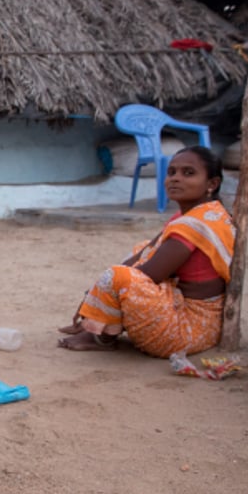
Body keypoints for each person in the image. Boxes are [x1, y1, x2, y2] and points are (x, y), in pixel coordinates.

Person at [57, 146, 234, 356]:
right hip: (202, 325)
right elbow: (145, 253)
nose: (176, 179)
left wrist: (99, 301)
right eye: (171, 172)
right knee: (143, 249)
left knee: (120, 276)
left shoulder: (194, 225)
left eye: (188, 173)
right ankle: (100, 324)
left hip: (186, 331)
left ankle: (102, 336)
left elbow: (150, 274)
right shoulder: (196, 216)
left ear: (212, 184)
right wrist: (94, 300)